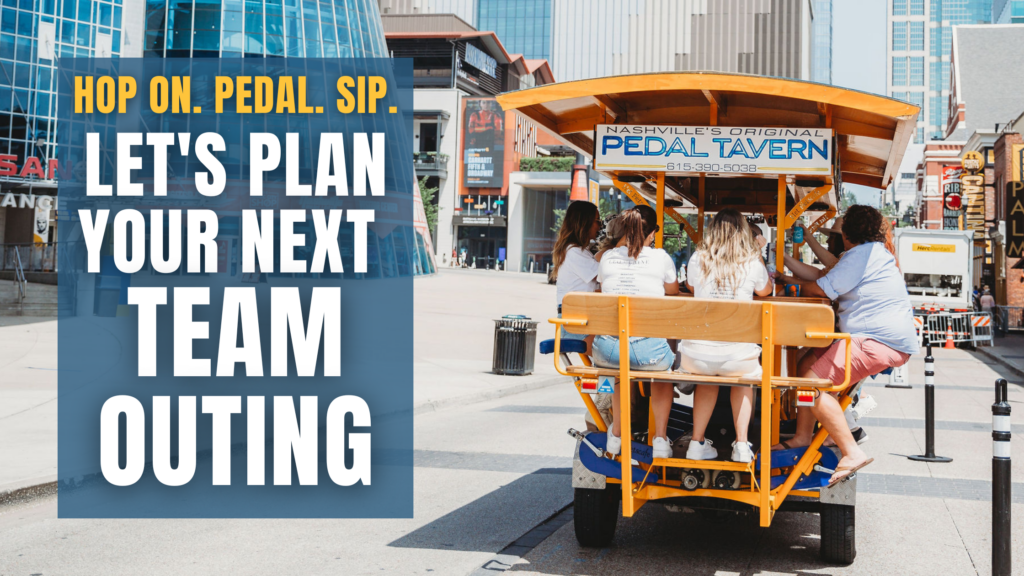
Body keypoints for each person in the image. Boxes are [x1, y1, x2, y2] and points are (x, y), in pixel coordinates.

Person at [772, 205, 917, 486]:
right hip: (883, 339)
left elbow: (820, 288)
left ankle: (851, 451)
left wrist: (791, 285)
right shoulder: (875, 254)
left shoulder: (859, 256)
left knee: (811, 384)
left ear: (847, 235)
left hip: (875, 340)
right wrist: (790, 278)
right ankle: (803, 435)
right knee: (805, 366)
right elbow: (824, 277)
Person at [677, 210, 773, 463]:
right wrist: (758, 252)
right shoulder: (752, 261)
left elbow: (691, 286)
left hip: (695, 356)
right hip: (738, 356)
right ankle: (741, 445)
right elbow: (765, 291)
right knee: (744, 378)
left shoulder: (699, 258)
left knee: (708, 375)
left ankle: (697, 443)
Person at [594, 207, 679, 459]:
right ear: (652, 233)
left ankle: (618, 433)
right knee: (663, 373)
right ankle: (661, 438)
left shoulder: (607, 257)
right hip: (647, 352)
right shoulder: (661, 258)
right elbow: (672, 291)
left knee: (621, 371)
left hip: (607, 350)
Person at [552, 201, 603, 353]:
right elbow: (605, 274)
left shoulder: (576, 251)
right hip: (576, 326)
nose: (599, 226)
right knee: (621, 345)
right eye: (597, 222)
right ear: (584, 223)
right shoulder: (575, 252)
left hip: (579, 322)